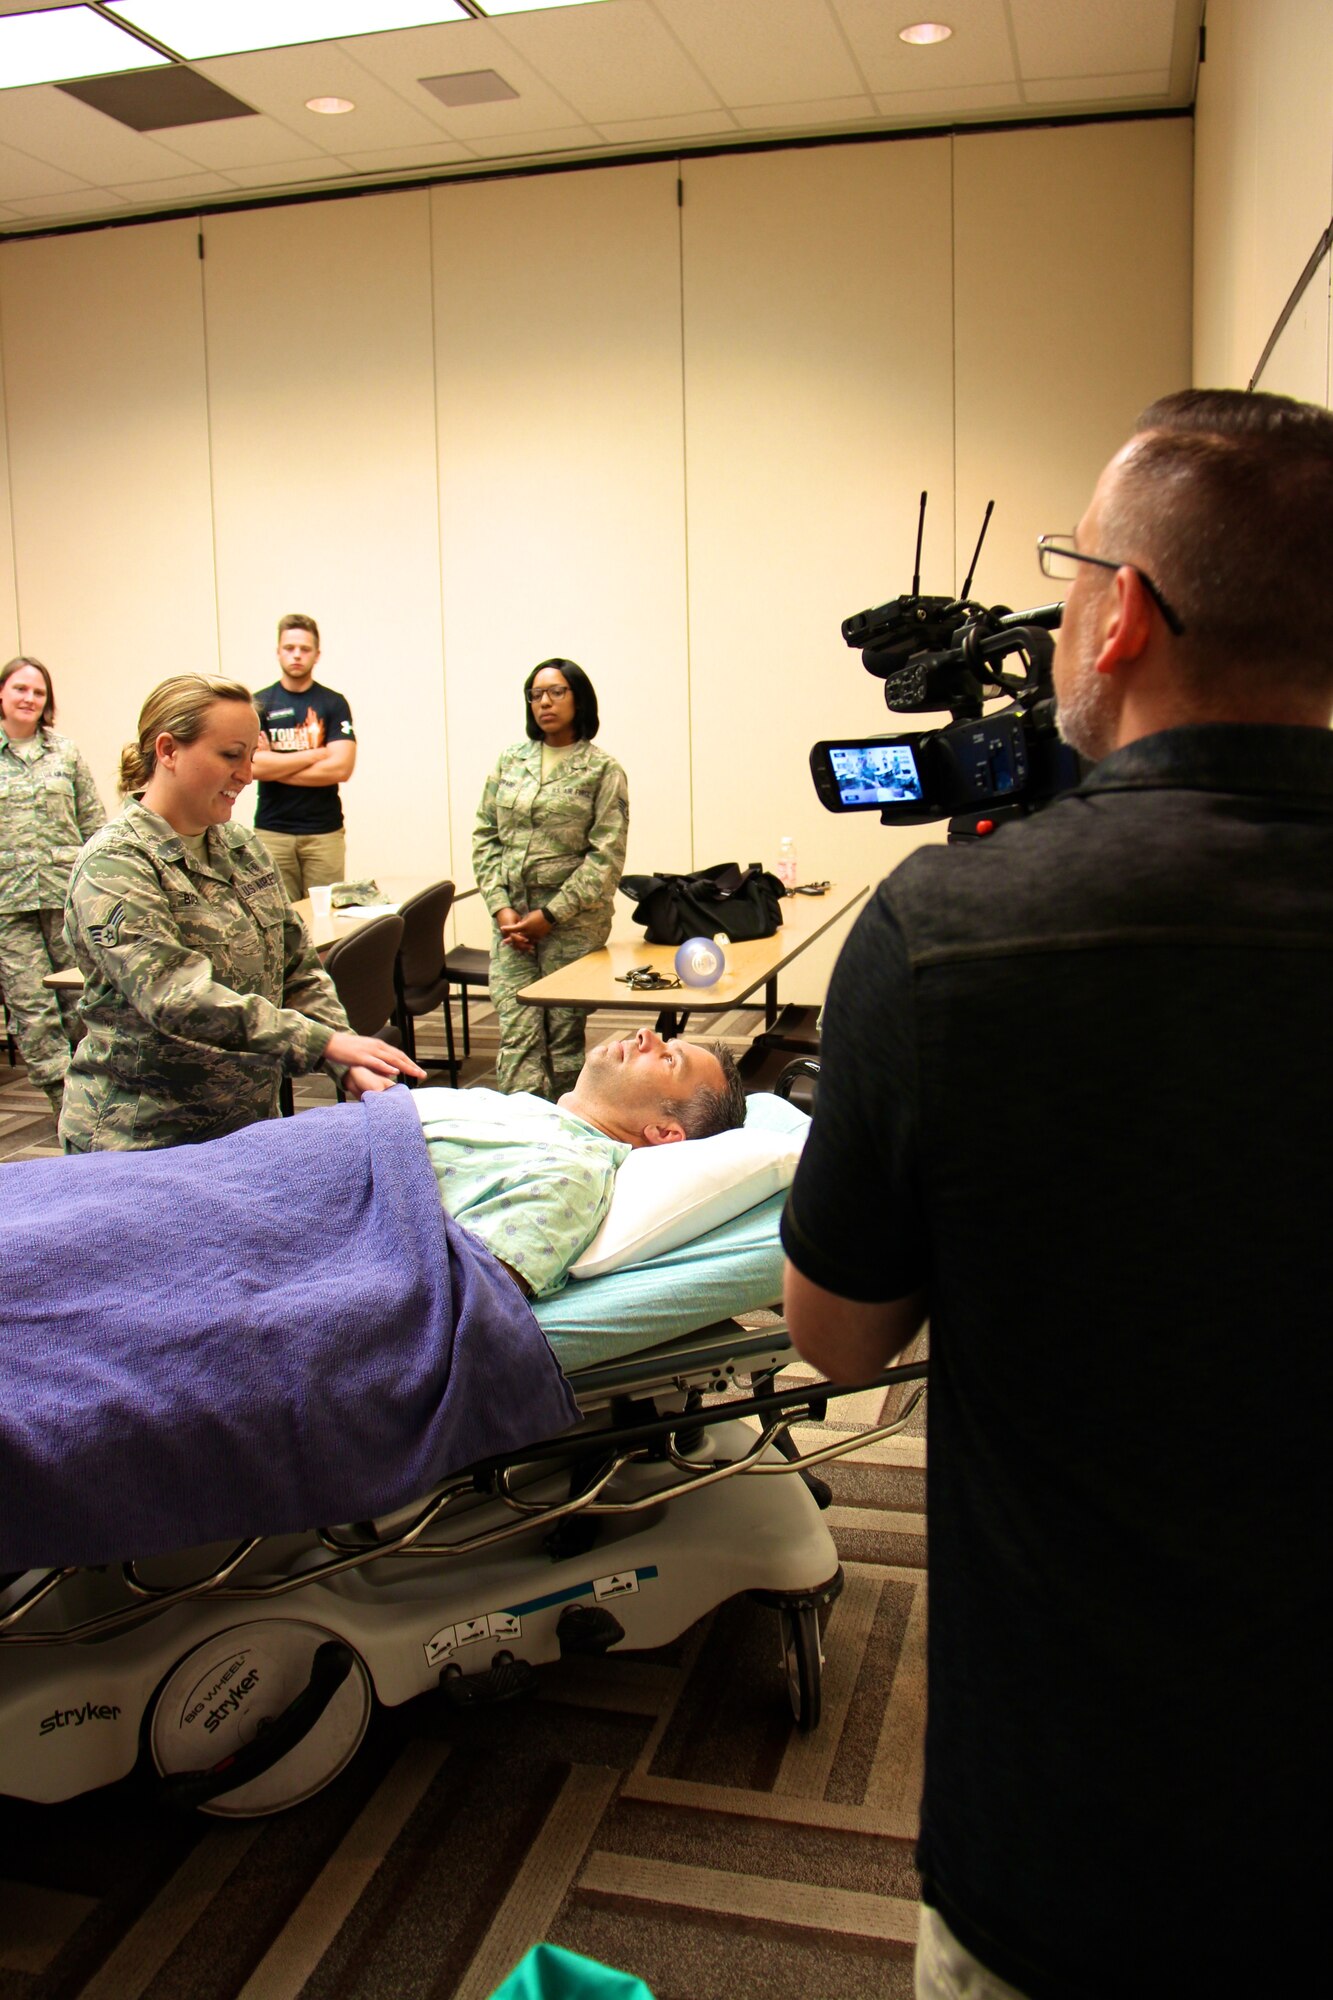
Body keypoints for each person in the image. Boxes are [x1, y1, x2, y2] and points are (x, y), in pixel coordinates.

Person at [780, 388, 1333, 1998]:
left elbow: (837, 1342)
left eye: (1075, 567)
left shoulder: (947, 931)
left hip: (1079, 1840)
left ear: (1125, 618)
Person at [61, 674, 421, 1152]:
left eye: (251, 755)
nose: (247, 775)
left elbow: (297, 968)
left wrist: (346, 1055)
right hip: (145, 1141)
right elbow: (177, 997)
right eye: (231, 755)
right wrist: (322, 1044)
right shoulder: (115, 863)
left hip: (244, 1129)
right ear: (168, 751)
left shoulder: (240, 846)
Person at [473, 659, 629, 1098]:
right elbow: (485, 837)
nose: (545, 701)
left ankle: (567, 1131)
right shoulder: (510, 761)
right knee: (517, 1037)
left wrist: (550, 915)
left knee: (562, 1042)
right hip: (512, 927)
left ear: (579, 698)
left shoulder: (602, 769)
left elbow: (605, 859)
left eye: (557, 691)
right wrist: (502, 908)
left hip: (571, 927)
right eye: (536, 694)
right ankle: (519, 1135)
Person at [0, 655, 105, 1119]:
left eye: (38, 692)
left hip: (67, 901)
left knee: (83, 1005)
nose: (29, 698)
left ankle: (98, 1105)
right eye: (21, 689)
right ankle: (66, 1113)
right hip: (8, 906)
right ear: (2, 693)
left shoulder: (66, 752)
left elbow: (95, 824)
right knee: (34, 1014)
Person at [252, 614, 356, 901]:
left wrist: (275, 764)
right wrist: (316, 753)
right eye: (289, 648)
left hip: (323, 833)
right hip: (272, 831)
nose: (296, 655)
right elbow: (253, 767)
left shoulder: (333, 703)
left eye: (305, 649)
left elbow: (341, 768)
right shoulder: (259, 703)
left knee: (327, 925)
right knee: (277, 919)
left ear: (317, 655)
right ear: (278, 652)